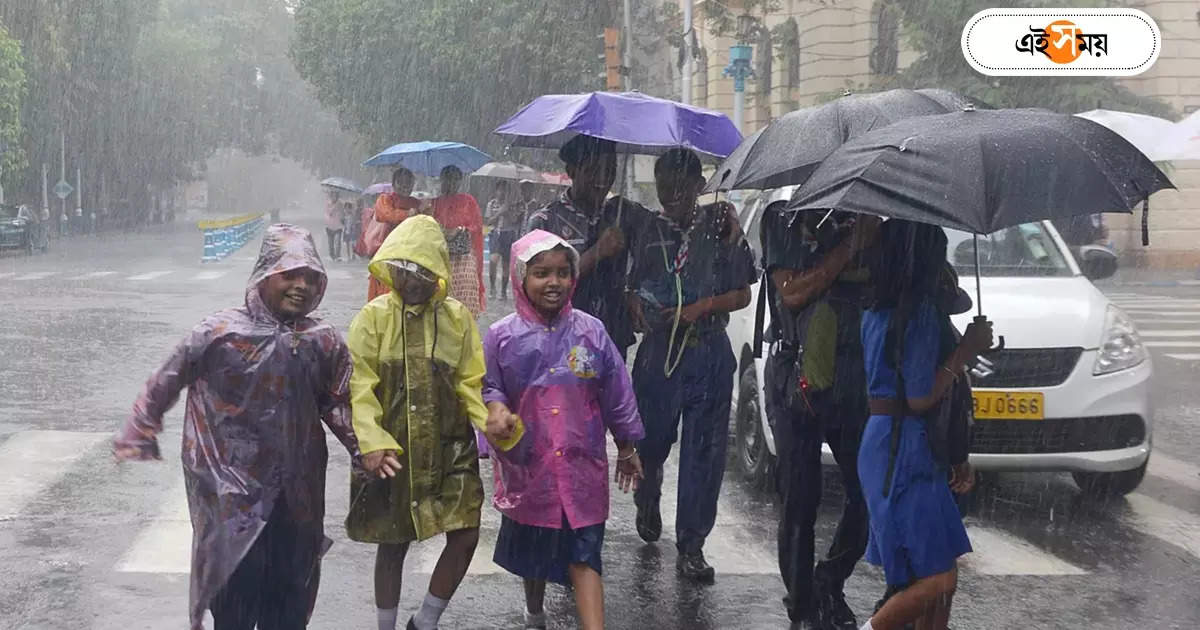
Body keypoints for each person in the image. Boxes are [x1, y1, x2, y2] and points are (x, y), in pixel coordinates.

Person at [112, 224, 372, 630]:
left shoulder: (322, 341)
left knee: (288, 601)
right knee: (233, 606)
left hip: (296, 497)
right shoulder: (220, 333)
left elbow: (339, 403)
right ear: (265, 274)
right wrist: (140, 425)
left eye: (310, 276)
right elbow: (168, 376)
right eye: (290, 274)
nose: (301, 285)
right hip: (230, 496)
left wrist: (367, 449)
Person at [482, 230, 645, 630]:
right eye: (541, 273)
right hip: (529, 467)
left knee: (585, 553)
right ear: (522, 279)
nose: (553, 282)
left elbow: (616, 393)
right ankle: (534, 610)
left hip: (581, 466)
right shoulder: (502, 336)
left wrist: (626, 447)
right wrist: (495, 411)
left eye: (562, 272)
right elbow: (487, 386)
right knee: (534, 549)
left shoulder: (591, 332)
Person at [345, 215, 488, 630]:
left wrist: (494, 425)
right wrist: (372, 441)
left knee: (465, 534)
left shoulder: (458, 319)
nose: (411, 281)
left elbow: (471, 381)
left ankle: (425, 621)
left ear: (439, 271)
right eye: (403, 269)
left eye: (423, 271)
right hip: (395, 451)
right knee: (392, 544)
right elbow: (360, 387)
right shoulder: (372, 319)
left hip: (451, 448)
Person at [626, 148, 757, 582]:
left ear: (700, 185)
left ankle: (692, 544)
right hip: (660, 351)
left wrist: (703, 306)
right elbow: (627, 284)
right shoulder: (645, 227)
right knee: (651, 439)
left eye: (681, 188)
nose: (673, 196)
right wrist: (633, 304)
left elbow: (743, 294)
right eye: (665, 188)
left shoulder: (721, 226)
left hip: (708, 351)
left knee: (705, 452)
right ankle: (647, 495)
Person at [856, 220, 992, 630]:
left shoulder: (878, 307)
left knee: (934, 574)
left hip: (896, 443)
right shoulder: (915, 314)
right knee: (937, 578)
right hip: (902, 449)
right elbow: (919, 395)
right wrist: (965, 351)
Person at [760, 203, 880, 630]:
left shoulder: (872, 215)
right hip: (797, 379)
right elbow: (790, 291)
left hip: (855, 378)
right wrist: (850, 246)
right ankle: (803, 606)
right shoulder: (783, 218)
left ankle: (830, 578)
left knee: (867, 490)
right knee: (800, 499)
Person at [524, 135, 637, 358]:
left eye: (610, 170)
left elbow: (662, 231)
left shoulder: (622, 214)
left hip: (611, 335)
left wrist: (721, 211)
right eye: (593, 170)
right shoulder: (545, 220)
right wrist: (597, 252)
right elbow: (538, 286)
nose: (603, 179)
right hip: (561, 337)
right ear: (572, 170)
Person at [431, 165, 486, 316]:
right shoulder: (434, 203)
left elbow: (476, 225)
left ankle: (465, 329)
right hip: (440, 257)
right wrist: (441, 230)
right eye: (447, 179)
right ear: (441, 180)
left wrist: (460, 229)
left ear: (459, 181)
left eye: (455, 180)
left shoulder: (468, 201)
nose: (451, 183)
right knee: (440, 298)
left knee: (465, 299)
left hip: (463, 257)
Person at [366, 168, 422, 301]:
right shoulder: (385, 199)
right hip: (386, 252)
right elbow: (385, 214)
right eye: (401, 182)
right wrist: (407, 214)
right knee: (384, 293)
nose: (404, 186)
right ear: (394, 183)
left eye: (408, 182)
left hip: (409, 255)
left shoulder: (416, 203)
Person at [485, 180, 524, 301]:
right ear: (496, 191)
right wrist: (499, 213)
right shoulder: (491, 204)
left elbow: (515, 221)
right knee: (493, 260)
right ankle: (492, 288)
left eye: (505, 190)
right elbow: (488, 222)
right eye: (500, 190)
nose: (502, 193)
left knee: (506, 265)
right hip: (496, 233)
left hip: (509, 235)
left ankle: (503, 291)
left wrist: (507, 212)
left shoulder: (513, 205)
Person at [325, 189, 344, 261]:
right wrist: (334, 206)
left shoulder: (340, 203)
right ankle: (332, 255)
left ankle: (338, 255)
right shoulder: (328, 203)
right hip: (329, 226)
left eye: (335, 195)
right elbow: (328, 213)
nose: (334, 197)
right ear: (331, 196)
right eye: (333, 195)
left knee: (338, 241)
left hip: (338, 226)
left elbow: (343, 212)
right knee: (330, 243)